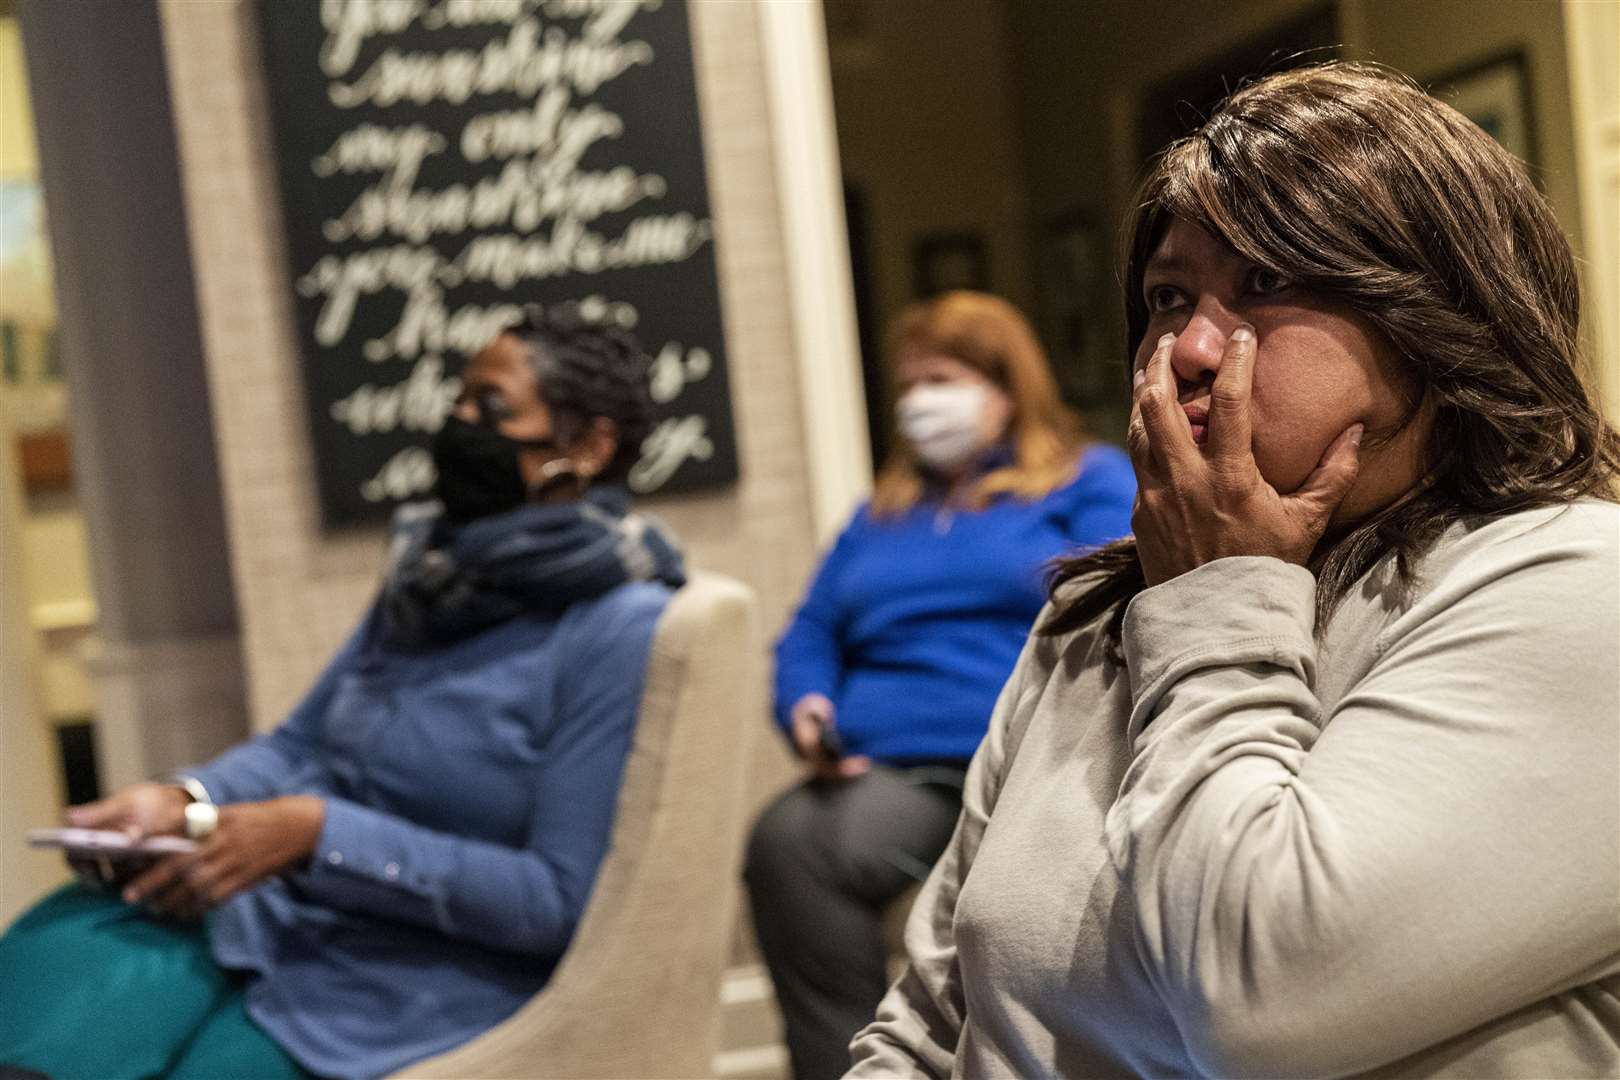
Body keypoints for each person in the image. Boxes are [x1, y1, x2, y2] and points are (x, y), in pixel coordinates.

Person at [848, 62, 1620, 1079]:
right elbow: (931, 1020)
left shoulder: (1573, 590)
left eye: (1267, 282)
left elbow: (1256, 1003)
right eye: (1169, 297)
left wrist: (1219, 597)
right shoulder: (1096, 619)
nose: (1193, 349)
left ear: (1438, 317)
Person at [0, 307, 686, 1080]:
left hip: (412, 981)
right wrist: (184, 798)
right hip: (282, 915)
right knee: (50, 986)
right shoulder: (435, 574)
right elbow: (302, 746)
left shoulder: (619, 629)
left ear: (589, 447)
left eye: (490, 410)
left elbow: (553, 900)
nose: (459, 424)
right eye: (459, 400)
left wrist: (317, 835)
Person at [746, 291, 1136, 1080]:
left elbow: (1124, 591)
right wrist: (807, 705)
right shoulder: (880, 512)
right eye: (910, 384)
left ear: (1004, 387)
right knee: (788, 843)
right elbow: (811, 631)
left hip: (1031, 761)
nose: (921, 402)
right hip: (893, 771)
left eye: (943, 378)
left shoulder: (1083, 480)